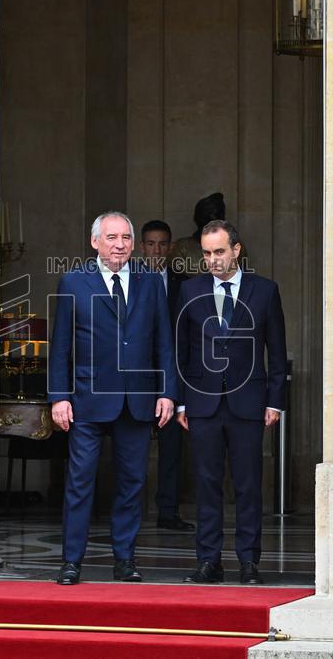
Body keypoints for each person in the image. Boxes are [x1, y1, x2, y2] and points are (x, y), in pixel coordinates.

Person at [48, 211, 177, 585]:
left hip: (136, 400)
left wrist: (167, 391)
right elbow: (61, 346)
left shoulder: (151, 282)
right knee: (80, 481)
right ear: (94, 242)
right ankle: (72, 561)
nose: (119, 244)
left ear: (132, 244)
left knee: (132, 482)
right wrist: (59, 396)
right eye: (111, 237)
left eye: (125, 238)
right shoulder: (74, 281)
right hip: (87, 399)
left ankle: (125, 559)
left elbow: (163, 342)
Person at [175, 219, 287, 585]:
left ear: (236, 250)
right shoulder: (190, 291)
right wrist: (179, 402)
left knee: (248, 484)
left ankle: (249, 561)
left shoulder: (265, 291)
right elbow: (181, 351)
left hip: (249, 403)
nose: (213, 260)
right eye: (206, 253)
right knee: (206, 484)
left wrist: (275, 401)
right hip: (203, 404)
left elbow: (277, 350)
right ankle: (208, 561)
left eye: (219, 251)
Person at [139, 220, 193, 532]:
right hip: (134, 378)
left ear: (170, 248)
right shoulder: (126, 280)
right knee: (131, 446)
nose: (156, 250)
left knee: (172, 448)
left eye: (162, 244)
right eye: (150, 243)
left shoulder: (184, 284)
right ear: (141, 247)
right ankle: (129, 511)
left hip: (172, 378)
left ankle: (168, 511)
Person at [169, 192, 225, 276]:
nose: (214, 220)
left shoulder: (234, 246)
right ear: (198, 218)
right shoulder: (181, 247)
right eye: (209, 216)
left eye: (219, 216)